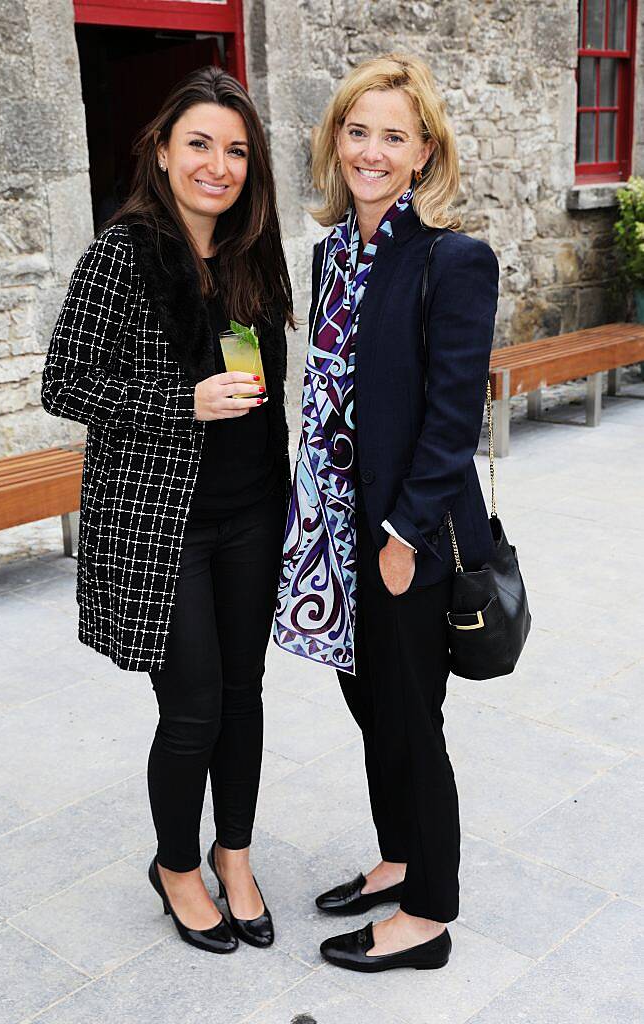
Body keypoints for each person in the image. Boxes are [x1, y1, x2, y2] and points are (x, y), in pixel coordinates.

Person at [42, 67, 294, 955]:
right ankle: (175, 866)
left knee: (244, 695)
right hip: (163, 523)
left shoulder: (251, 253)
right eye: (199, 144)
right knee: (191, 708)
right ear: (161, 150)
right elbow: (63, 382)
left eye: (235, 149)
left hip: (254, 512)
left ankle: (234, 855)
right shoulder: (121, 252)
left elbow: (267, 391)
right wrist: (178, 400)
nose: (217, 165)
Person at [274, 53, 499, 973]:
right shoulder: (332, 253)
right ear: (336, 139)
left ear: (422, 153)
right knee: (370, 706)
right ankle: (397, 861)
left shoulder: (452, 257)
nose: (370, 150)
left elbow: (453, 418)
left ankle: (428, 917)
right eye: (356, 130)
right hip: (335, 527)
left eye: (392, 137)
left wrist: (402, 537)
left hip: (408, 532)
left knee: (412, 717)